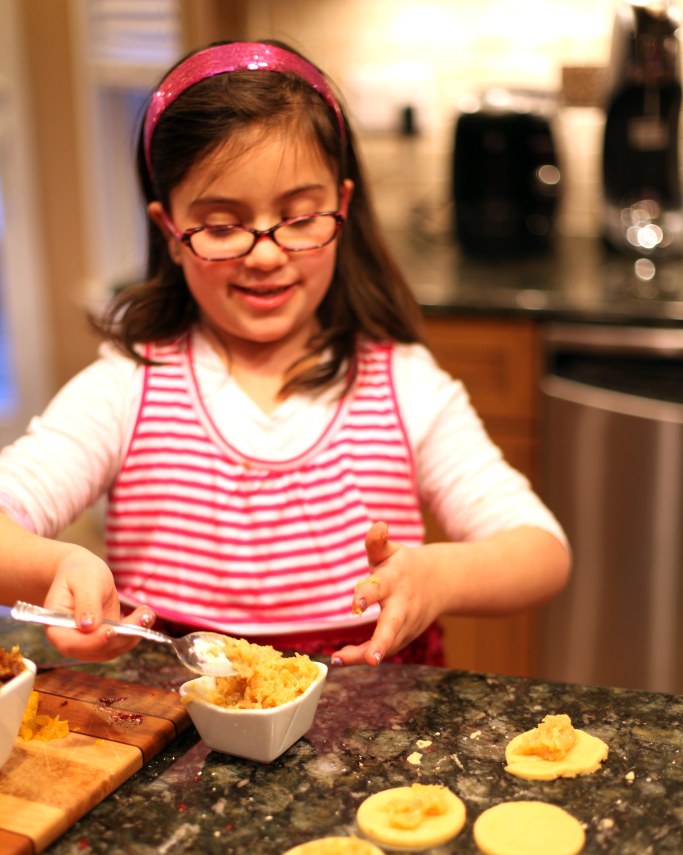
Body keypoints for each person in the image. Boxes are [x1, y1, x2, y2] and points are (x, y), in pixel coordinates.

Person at [0, 40, 570, 668]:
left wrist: (440, 576)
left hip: (382, 724)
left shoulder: (404, 386)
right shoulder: (127, 389)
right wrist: (60, 566)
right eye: (222, 226)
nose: (266, 255)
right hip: (171, 719)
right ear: (170, 233)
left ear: (341, 207)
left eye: (299, 218)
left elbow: (541, 552)